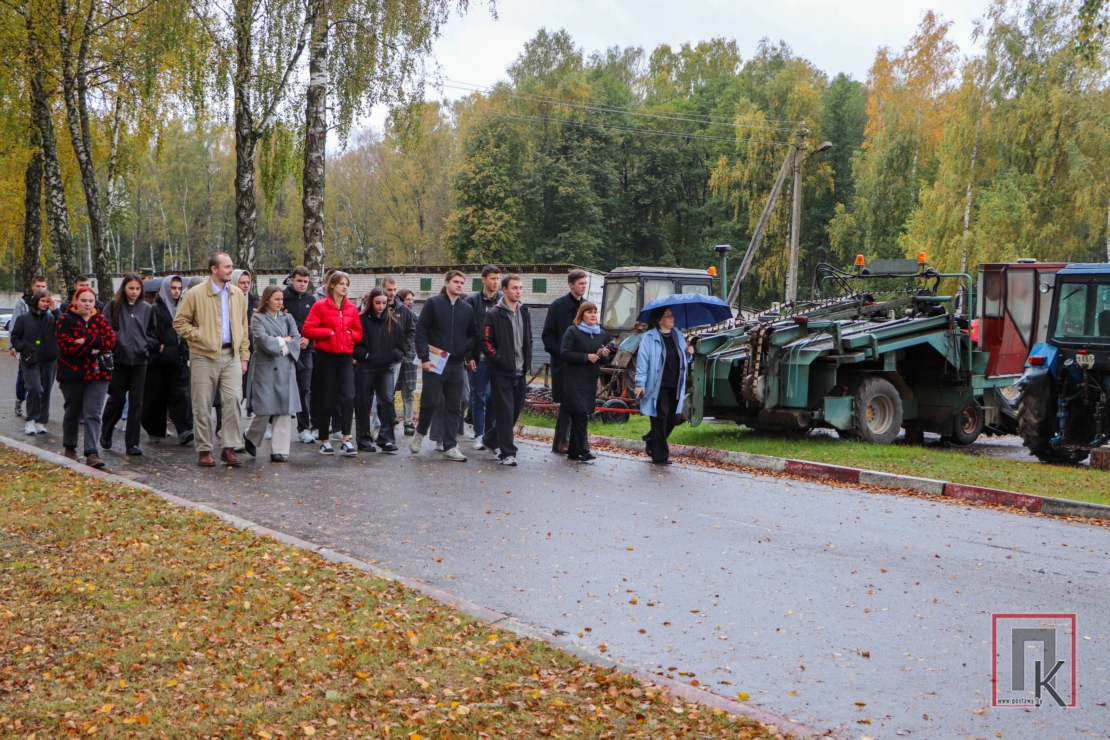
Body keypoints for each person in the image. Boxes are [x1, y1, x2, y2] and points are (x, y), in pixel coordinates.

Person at [173, 252, 251, 468]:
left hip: (231, 355)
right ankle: (204, 450)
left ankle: (229, 447)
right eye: (227, 266)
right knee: (202, 404)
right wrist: (200, 335)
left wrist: (244, 355)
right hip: (203, 356)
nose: (230, 270)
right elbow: (179, 322)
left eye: (231, 266)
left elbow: (243, 328)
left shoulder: (237, 294)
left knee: (234, 400)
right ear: (214, 269)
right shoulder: (196, 293)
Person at [410, 270, 478, 462]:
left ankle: (450, 446)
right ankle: (420, 432)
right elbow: (421, 332)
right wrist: (424, 358)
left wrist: (462, 349)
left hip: (455, 364)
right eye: (456, 281)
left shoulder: (467, 308)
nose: (459, 285)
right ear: (446, 283)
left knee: (454, 406)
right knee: (431, 401)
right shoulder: (433, 303)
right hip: (435, 362)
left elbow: (473, 334)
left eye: (462, 282)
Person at [301, 271, 362, 456]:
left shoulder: (351, 308)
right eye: (341, 283)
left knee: (348, 396)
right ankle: (324, 440)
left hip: (345, 357)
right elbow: (307, 329)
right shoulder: (320, 306)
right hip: (325, 357)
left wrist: (350, 335)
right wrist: (328, 332)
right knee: (325, 397)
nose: (344, 287)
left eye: (347, 284)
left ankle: (346, 438)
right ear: (332, 285)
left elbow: (359, 333)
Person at [55, 286, 116, 468]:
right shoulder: (65, 319)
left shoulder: (101, 319)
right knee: (73, 411)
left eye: (90, 301)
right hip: (71, 372)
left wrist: (86, 340)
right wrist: (94, 349)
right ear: (76, 301)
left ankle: (92, 452)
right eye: (83, 300)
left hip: (99, 373)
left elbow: (111, 341)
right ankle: (70, 446)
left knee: (93, 413)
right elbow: (67, 346)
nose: (87, 304)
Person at [99, 274, 158, 456]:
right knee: (117, 398)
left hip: (140, 360)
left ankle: (132, 443)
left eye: (138, 289)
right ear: (124, 288)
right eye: (131, 288)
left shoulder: (146, 308)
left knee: (136, 401)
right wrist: (116, 343)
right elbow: (104, 328)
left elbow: (152, 331)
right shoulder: (114, 306)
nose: (134, 292)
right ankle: (106, 430)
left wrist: (146, 344)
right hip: (119, 359)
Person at [243, 286, 302, 463]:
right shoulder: (257, 318)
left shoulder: (288, 317)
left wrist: (281, 345)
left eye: (281, 299)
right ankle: (251, 435)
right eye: (276, 299)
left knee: (284, 408)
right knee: (265, 408)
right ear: (267, 299)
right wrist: (283, 340)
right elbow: (262, 340)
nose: (280, 302)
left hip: (286, 366)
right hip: (265, 367)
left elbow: (296, 338)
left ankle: (279, 450)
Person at [481, 274, 531, 466]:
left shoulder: (524, 312)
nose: (518, 291)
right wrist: (498, 358)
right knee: (505, 413)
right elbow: (486, 341)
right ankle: (508, 453)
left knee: (515, 412)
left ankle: (489, 439)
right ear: (505, 289)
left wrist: (527, 362)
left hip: (520, 371)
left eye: (520, 288)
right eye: (514, 288)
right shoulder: (494, 314)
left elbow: (528, 339)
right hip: (501, 372)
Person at [634, 307, 693, 465]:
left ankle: (651, 438)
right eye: (668, 316)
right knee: (660, 418)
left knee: (674, 417)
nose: (672, 318)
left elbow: (683, 360)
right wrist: (640, 383)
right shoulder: (649, 337)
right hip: (658, 385)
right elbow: (642, 361)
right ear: (659, 320)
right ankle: (660, 455)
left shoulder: (678, 335)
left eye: (672, 315)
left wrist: (689, 353)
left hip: (676, 384)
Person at [142, 275, 194, 446]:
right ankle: (155, 430)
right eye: (173, 288)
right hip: (159, 362)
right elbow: (147, 333)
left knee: (181, 395)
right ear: (165, 289)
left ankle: (185, 430)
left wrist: (185, 350)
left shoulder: (184, 307)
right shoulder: (154, 309)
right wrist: (157, 346)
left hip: (179, 360)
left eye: (179, 288)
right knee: (156, 397)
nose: (176, 292)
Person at [542, 269, 589, 454]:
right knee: (567, 402)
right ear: (571, 284)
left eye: (585, 283)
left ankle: (575, 444)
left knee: (579, 404)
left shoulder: (586, 305)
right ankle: (562, 441)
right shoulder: (558, 306)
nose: (583, 286)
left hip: (582, 363)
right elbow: (548, 336)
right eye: (580, 283)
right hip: (563, 363)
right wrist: (562, 354)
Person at [559, 301, 612, 463]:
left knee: (581, 415)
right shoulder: (573, 331)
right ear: (581, 315)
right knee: (580, 414)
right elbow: (564, 353)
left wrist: (604, 354)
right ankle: (584, 449)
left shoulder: (601, 334)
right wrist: (585, 357)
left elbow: (606, 360)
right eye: (589, 312)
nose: (593, 315)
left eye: (595, 312)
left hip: (590, 381)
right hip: (574, 380)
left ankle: (574, 452)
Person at [354, 287, 406, 453]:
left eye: (384, 303)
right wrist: (366, 355)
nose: (381, 306)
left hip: (385, 368)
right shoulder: (361, 320)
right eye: (378, 303)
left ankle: (386, 438)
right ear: (371, 302)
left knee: (387, 401)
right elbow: (354, 344)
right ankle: (363, 439)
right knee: (364, 402)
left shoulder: (393, 322)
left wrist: (392, 356)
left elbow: (401, 345)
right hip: (366, 367)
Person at [11, 288, 59, 436]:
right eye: (42, 301)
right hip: (30, 359)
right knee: (34, 387)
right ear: (36, 301)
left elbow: (64, 327)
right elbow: (15, 335)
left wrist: (55, 310)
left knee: (46, 390)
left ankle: (41, 421)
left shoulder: (52, 318)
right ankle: (31, 419)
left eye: (47, 301)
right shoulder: (24, 318)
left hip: (49, 359)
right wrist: (21, 347)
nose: (45, 304)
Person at [466, 265, 502, 451]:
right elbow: (468, 330)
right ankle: (479, 435)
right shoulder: (472, 301)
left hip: (498, 358)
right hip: (479, 357)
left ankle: (490, 434)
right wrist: (469, 356)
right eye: (492, 278)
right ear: (483, 279)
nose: (496, 282)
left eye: (497, 278)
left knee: (493, 397)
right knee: (479, 396)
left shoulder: (502, 299)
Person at [283, 266, 317, 443]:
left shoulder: (312, 299)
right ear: (292, 280)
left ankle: (303, 428)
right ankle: (273, 424)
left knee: (304, 389)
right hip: (285, 351)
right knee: (282, 388)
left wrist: (308, 337)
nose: (302, 284)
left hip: (305, 351)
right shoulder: (283, 297)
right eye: (299, 281)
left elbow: (316, 323)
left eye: (305, 281)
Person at [9, 275, 49, 418]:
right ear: (32, 287)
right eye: (38, 286)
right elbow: (14, 325)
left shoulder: (49, 305)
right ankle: (20, 399)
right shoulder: (23, 304)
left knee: (42, 382)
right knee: (23, 378)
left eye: (43, 286)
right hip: (27, 350)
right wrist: (13, 346)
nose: (40, 288)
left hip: (44, 351)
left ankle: (39, 412)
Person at [396, 289, 419, 434]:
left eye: (412, 299)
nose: (410, 302)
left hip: (410, 358)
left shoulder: (415, 317)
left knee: (408, 391)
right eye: (408, 299)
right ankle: (391, 419)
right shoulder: (395, 314)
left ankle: (408, 423)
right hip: (395, 356)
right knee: (390, 391)